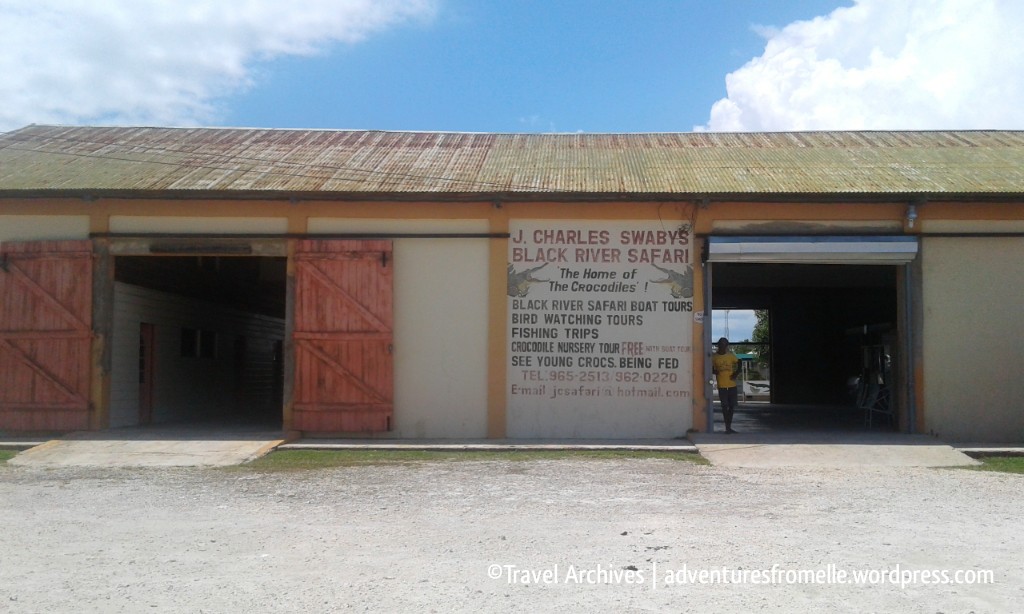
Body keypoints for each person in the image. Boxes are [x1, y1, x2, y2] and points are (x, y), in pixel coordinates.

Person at [712, 337, 740, 434]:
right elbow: (708, 366)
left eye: (725, 345)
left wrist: (736, 373)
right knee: (724, 406)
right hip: (722, 385)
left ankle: (729, 426)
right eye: (721, 345)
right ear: (718, 345)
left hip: (732, 385)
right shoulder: (714, 357)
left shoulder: (730, 356)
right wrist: (713, 371)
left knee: (732, 406)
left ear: (727, 346)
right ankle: (727, 427)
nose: (723, 347)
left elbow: (739, 362)